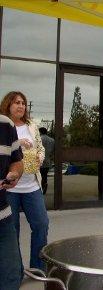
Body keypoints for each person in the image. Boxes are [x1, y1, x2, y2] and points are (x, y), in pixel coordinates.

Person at [0, 91, 49, 271]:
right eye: (16, 103)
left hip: (31, 186)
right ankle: (16, 271)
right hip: (10, 188)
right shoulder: (3, 126)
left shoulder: (32, 126)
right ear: (8, 105)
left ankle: (38, 268)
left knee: (41, 225)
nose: (21, 106)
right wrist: (19, 142)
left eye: (23, 103)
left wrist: (40, 158)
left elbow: (40, 147)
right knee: (12, 231)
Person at [0, 114, 24, 290]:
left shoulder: (5, 124)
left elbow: (17, 161)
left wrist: (15, 173)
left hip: (3, 218)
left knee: (11, 276)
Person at [39, 127, 54, 195]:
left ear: (40, 132)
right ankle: (44, 184)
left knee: (39, 176)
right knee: (44, 175)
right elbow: (54, 151)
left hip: (39, 160)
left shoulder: (39, 139)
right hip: (48, 160)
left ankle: (40, 188)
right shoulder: (52, 140)